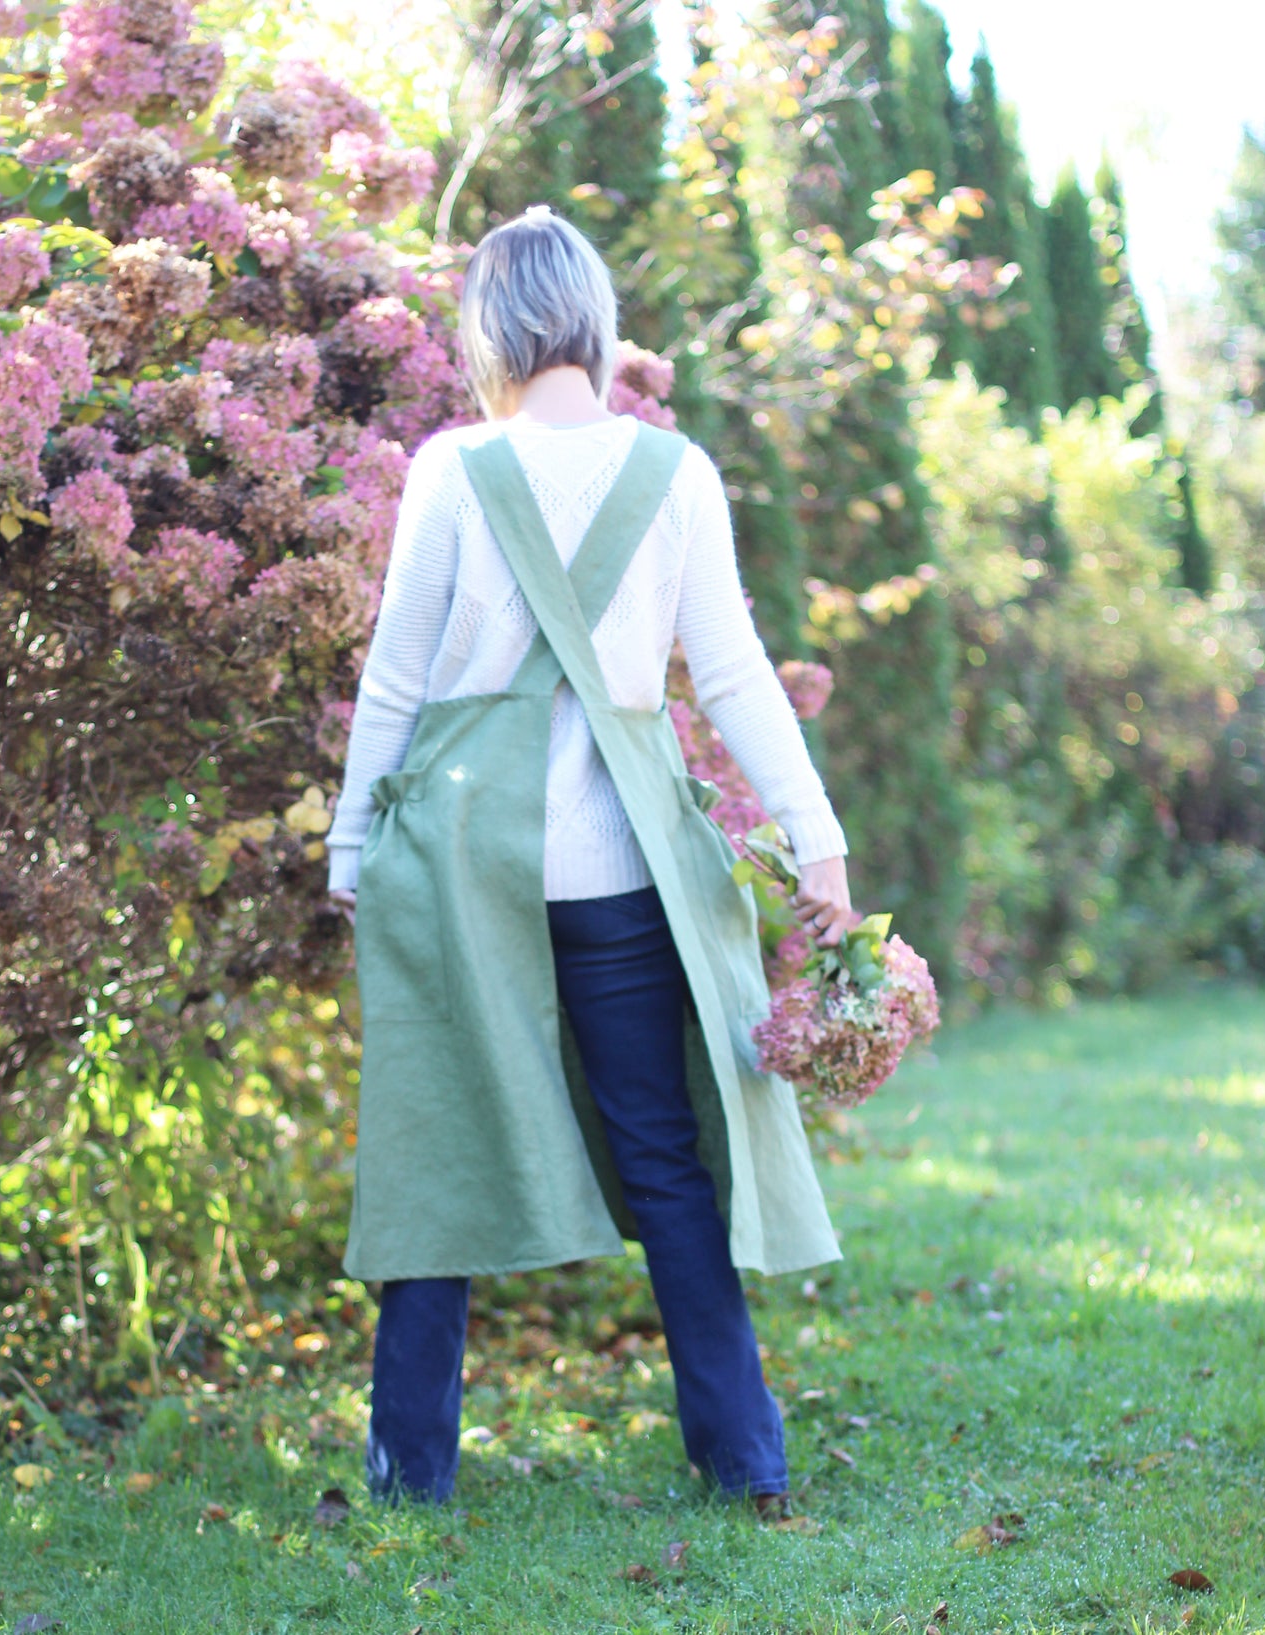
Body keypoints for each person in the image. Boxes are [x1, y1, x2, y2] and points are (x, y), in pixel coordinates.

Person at [325, 205, 854, 1516]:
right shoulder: (674, 475)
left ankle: (408, 1481)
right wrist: (818, 840)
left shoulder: (453, 470)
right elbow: (730, 677)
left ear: (487, 331)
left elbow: (396, 674)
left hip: (462, 863)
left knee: (436, 1151)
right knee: (663, 1156)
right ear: (593, 322)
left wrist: (349, 843)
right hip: (622, 869)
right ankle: (745, 1464)